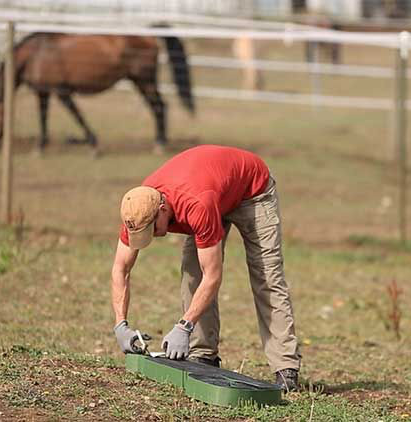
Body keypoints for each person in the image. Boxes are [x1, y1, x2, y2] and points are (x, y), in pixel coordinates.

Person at [111, 144, 301, 391]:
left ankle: (286, 367)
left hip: (252, 192)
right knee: (193, 273)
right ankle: (203, 355)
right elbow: (121, 269)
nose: (153, 236)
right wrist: (120, 325)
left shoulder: (195, 205)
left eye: (153, 229)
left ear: (162, 209)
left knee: (266, 276)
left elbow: (214, 275)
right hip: (213, 191)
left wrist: (183, 326)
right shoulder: (137, 206)